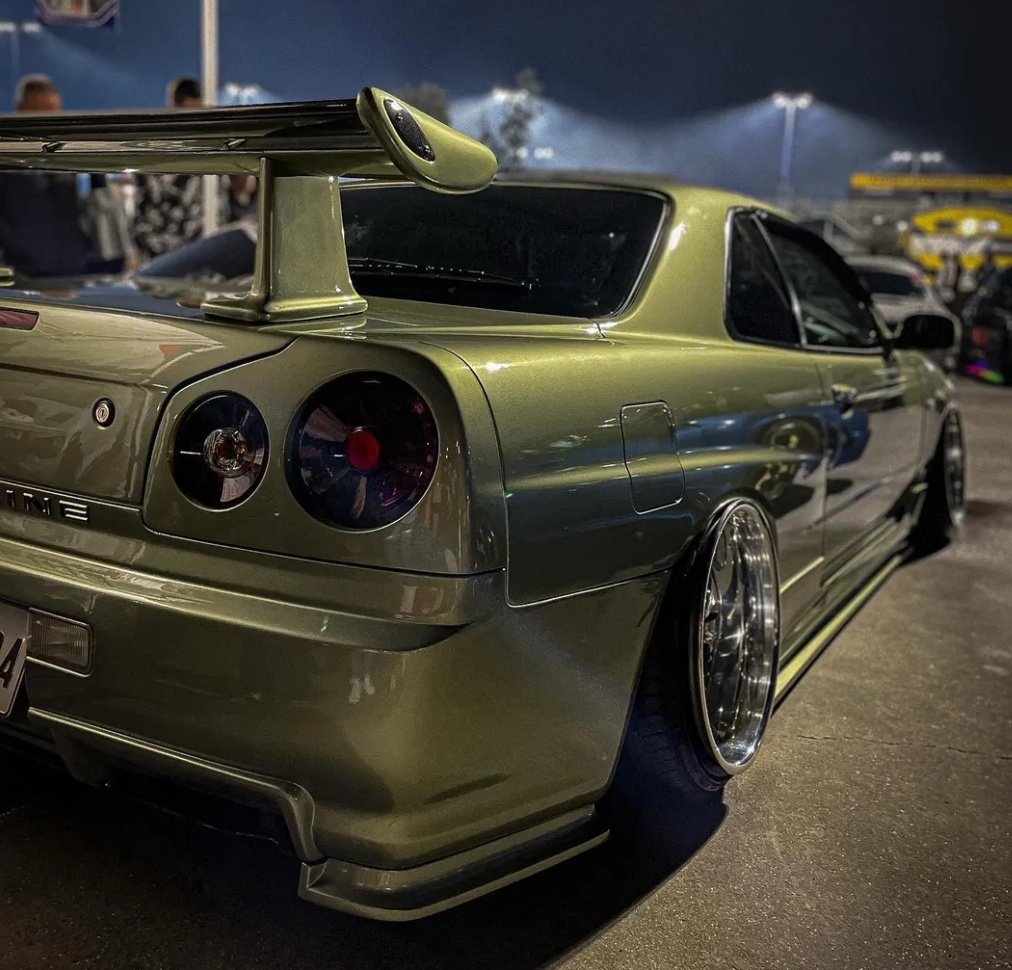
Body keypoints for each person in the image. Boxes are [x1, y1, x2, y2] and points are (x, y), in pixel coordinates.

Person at [0, 75, 102, 277]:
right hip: (21, 272)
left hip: (71, 268)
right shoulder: (6, 155)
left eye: (54, 113)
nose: (50, 121)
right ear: (21, 108)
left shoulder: (65, 156)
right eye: (41, 112)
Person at [131, 77, 209, 260]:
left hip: (195, 256)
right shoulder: (152, 156)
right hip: (162, 259)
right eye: (190, 112)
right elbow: (142, 217)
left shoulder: (208, 155)